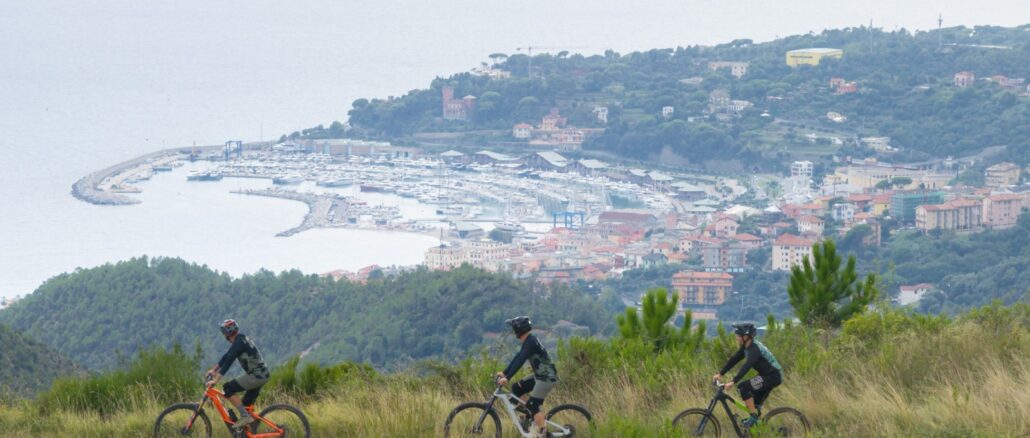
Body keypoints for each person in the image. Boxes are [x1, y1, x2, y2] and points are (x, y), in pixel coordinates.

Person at [495, 316, 558, 438]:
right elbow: (518, 357)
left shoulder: (530, 342)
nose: (513, 332)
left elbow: (520, 360)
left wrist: (507, 378)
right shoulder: (529, 341)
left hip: (547, 378)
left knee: (532, 404)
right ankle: (530, 416)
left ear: (519, 330)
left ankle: (544, 433)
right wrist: (505, 373)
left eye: (514, 329)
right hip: (540, 376)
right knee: (517, 389)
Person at [713, 322, 782, 428]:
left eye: (737, 335)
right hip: (766, 375)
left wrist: (733, 381)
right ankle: (758, 425)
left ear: (745, 337)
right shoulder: (746, 347)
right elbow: (734, 359)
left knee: (743, 387)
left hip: (773, 376)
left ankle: (753, 417)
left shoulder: (755, 349)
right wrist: (720, 373)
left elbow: (747, 366)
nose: (736, 338)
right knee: (753, 404)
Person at [206, 319, 271, 429]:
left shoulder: (239, 342)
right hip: (262, 375)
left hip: (257, 375)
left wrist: (216, 380)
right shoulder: (241, 339)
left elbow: (228, 361)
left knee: (228, 388)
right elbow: (227, 355)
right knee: (245, 406)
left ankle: (245, 416)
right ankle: (250, 430)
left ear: (226, 334)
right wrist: (214, 370)